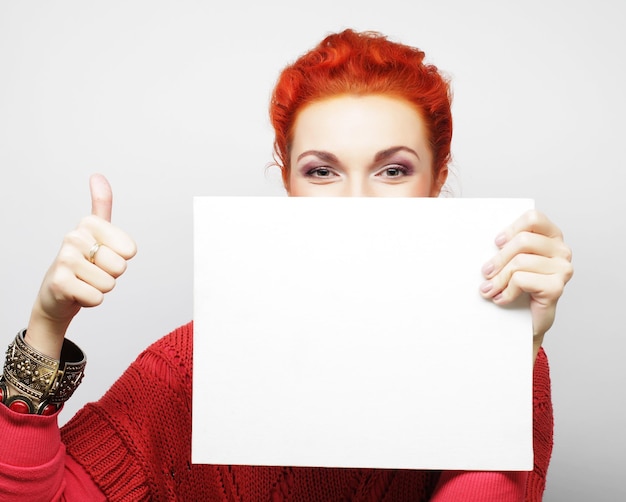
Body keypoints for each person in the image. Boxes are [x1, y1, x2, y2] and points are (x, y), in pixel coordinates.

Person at [0, 29, 572, 501]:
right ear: (288, 183)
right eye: (322, 171)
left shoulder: (515, 362)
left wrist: (500, 367)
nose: (355, 205)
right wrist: (46, 327)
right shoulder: (192, 364)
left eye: (392, 171)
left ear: (437, 181)